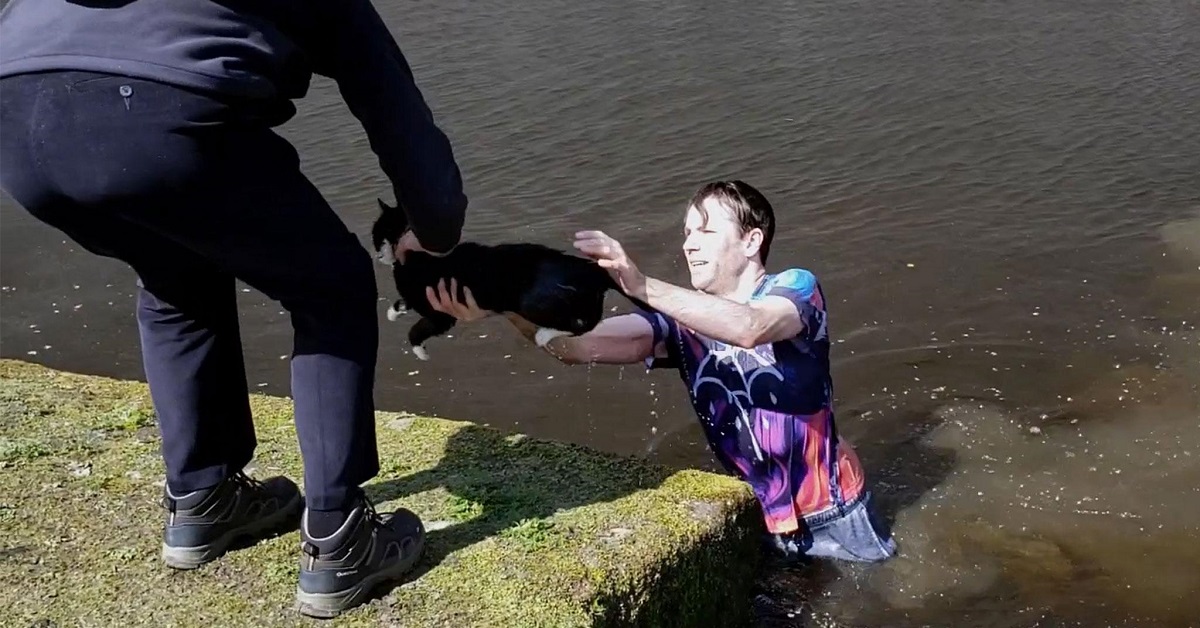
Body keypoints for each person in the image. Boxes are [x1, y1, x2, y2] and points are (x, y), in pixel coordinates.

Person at [0, 0, 465, 617]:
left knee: (174, 276)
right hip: (157, 117)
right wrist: (434, 230)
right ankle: (340, 539)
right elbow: (390, 103)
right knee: (332, 288)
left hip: (18, 125)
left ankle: (202, 498)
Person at [427, 180, 897, 564]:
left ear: (752, 240)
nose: (690, 244)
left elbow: (749, 328)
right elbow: (576, 347)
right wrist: (502, 304)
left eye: (706, 232)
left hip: (835, 511)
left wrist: (639, 283)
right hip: (759, 515)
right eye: (687, 233)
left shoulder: (795, 288)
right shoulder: (678, 324)